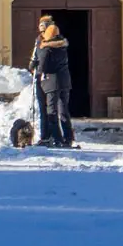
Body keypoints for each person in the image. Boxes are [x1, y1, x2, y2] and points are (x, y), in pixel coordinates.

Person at [33, 17, 74, 148]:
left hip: (51, 83)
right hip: (65, 81)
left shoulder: (46, 48)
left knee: (52, 111)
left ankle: (57, 138)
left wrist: (36, 68)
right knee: (64, 111)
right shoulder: (62, 46)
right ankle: (68, 138)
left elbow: (43, 66)